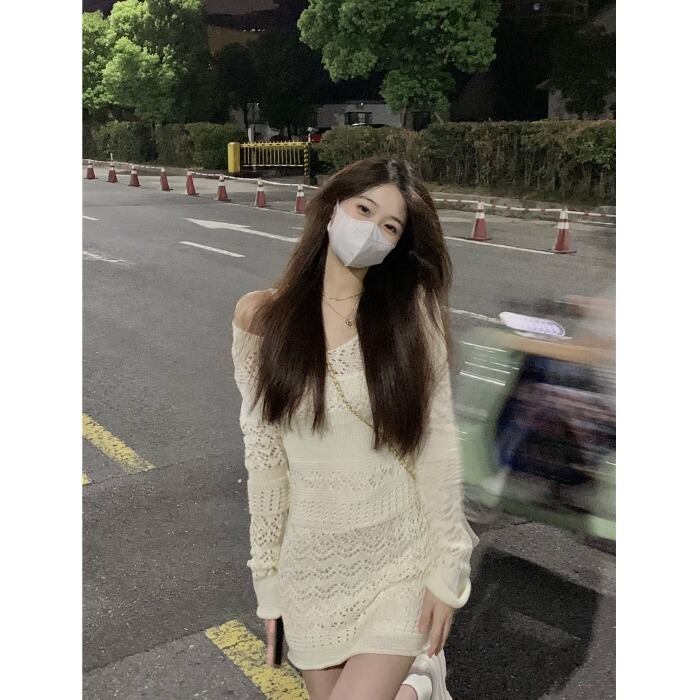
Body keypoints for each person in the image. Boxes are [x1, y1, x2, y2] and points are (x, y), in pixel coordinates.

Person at [231, 157, 480, 700]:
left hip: (398, 556)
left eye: (389, 226)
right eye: (363, 210)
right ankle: (419, 689)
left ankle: (417, 679)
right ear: (331, 208)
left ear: (396, 245)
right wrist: (267, 584)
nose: (370, 231)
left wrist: (449, 565)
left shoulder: (408, 315)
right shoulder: (261, 319)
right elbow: (266, 461)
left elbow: (436, 442)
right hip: (311, 570)